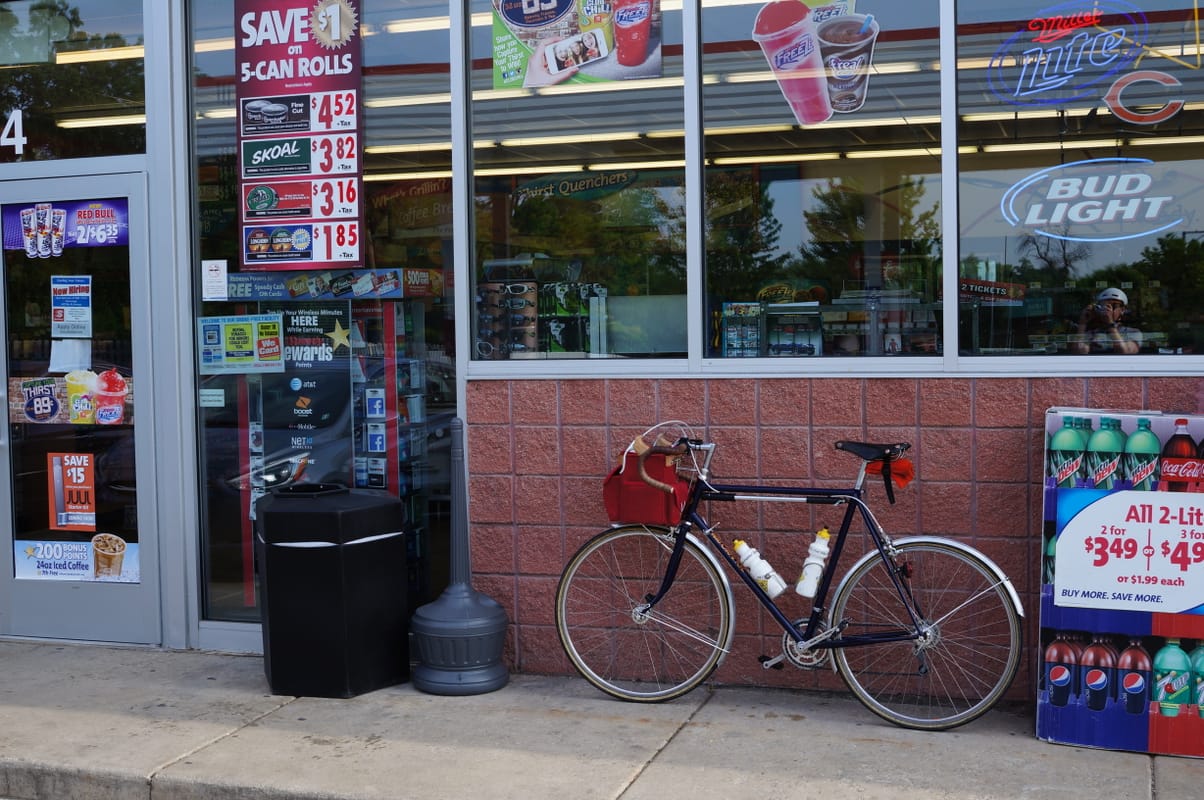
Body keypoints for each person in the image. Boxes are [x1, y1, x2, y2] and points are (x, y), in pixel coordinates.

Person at [1070, 287, 1142, 354]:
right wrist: (1082, 324)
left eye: (1113, 306)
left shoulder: (1133, 332)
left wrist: (1110, 324)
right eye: (1103, 305)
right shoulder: (1092, 333)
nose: (1107, 309)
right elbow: (1078, 351)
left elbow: (1124, 351)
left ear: (1122, 310)